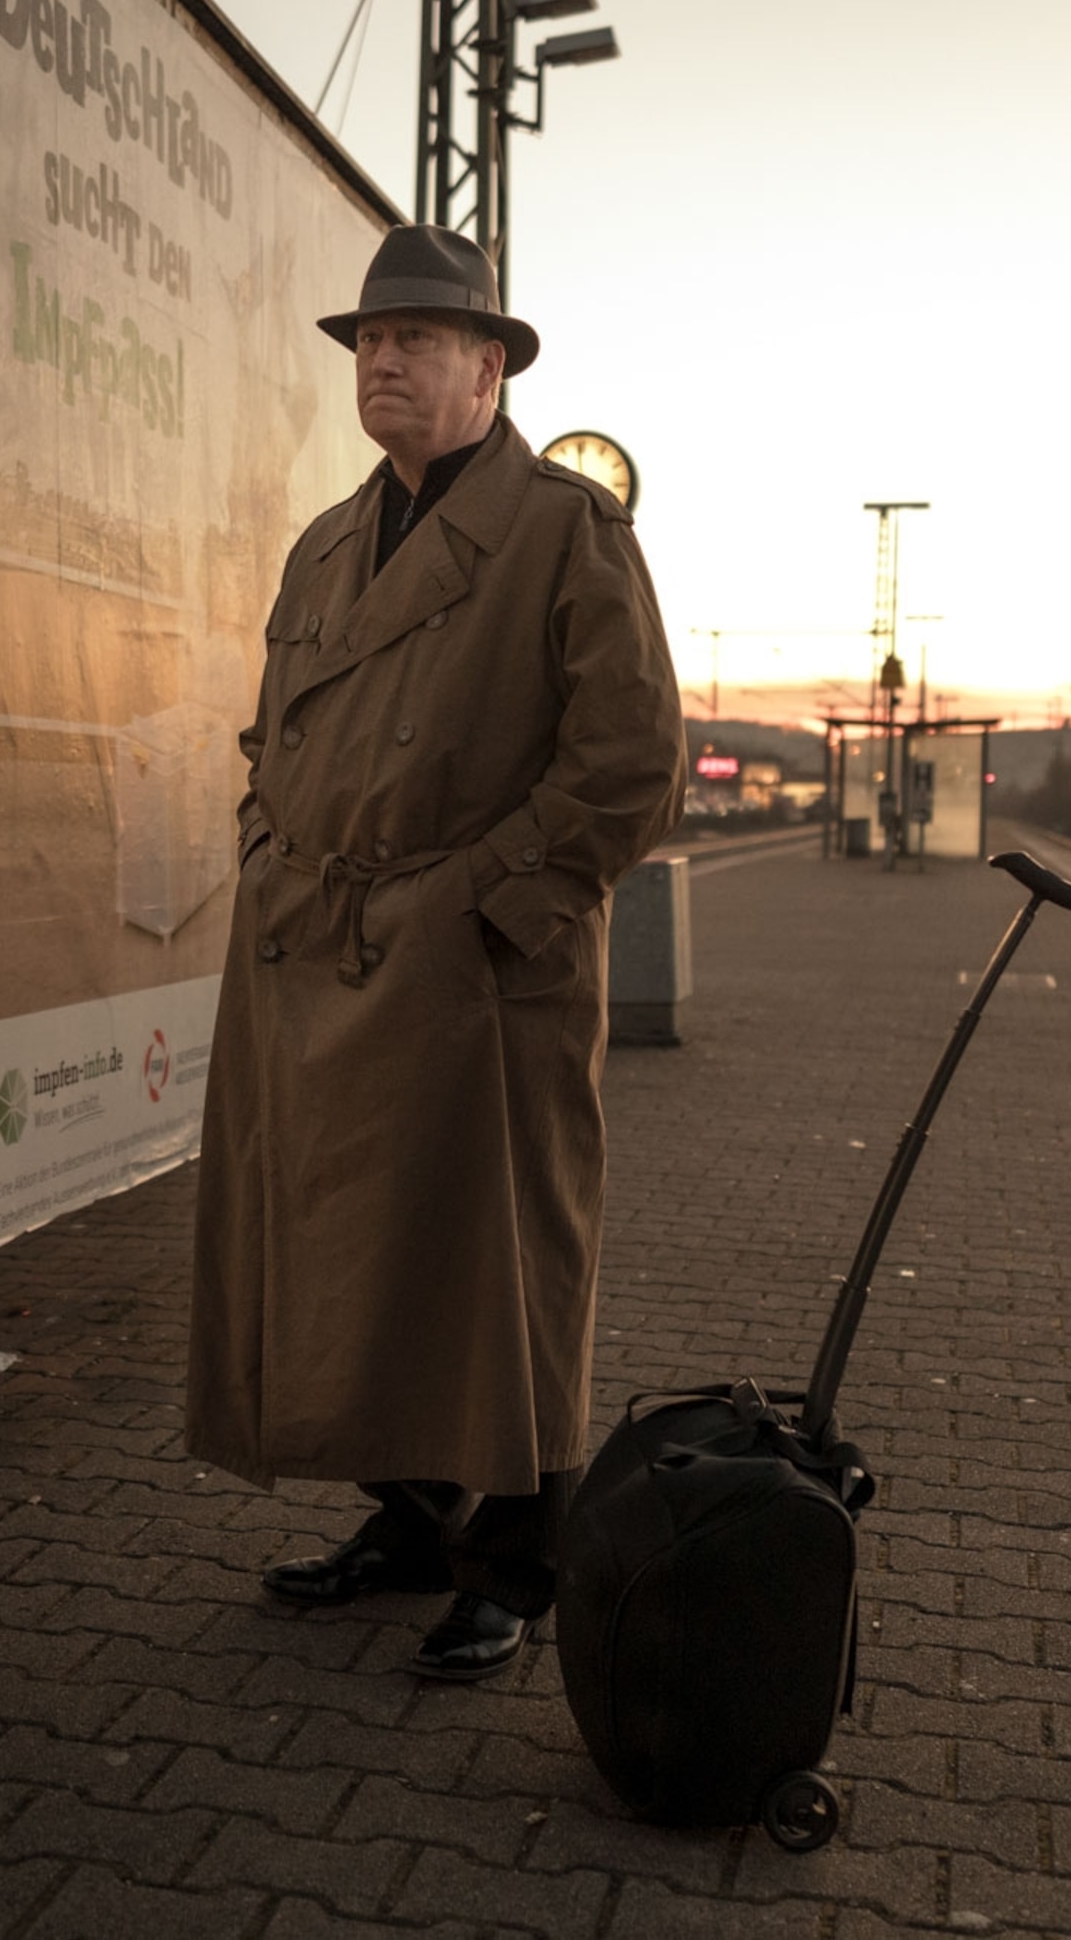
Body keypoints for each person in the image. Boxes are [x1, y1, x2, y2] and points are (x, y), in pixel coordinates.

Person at [186, 224, 687, 1681]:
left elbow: (632, 762)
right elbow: (278, 734)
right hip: (316, 946)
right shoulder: (328, 540)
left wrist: (485, 911)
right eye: (367, 342)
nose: (383, 360)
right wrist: (267, 849)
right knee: (343, 1255)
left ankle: (516, 1570)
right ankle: (410, 1521)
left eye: (416, 340)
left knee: (495, 1268)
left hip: (471, 976)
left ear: (490, 365)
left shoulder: (565, 529)